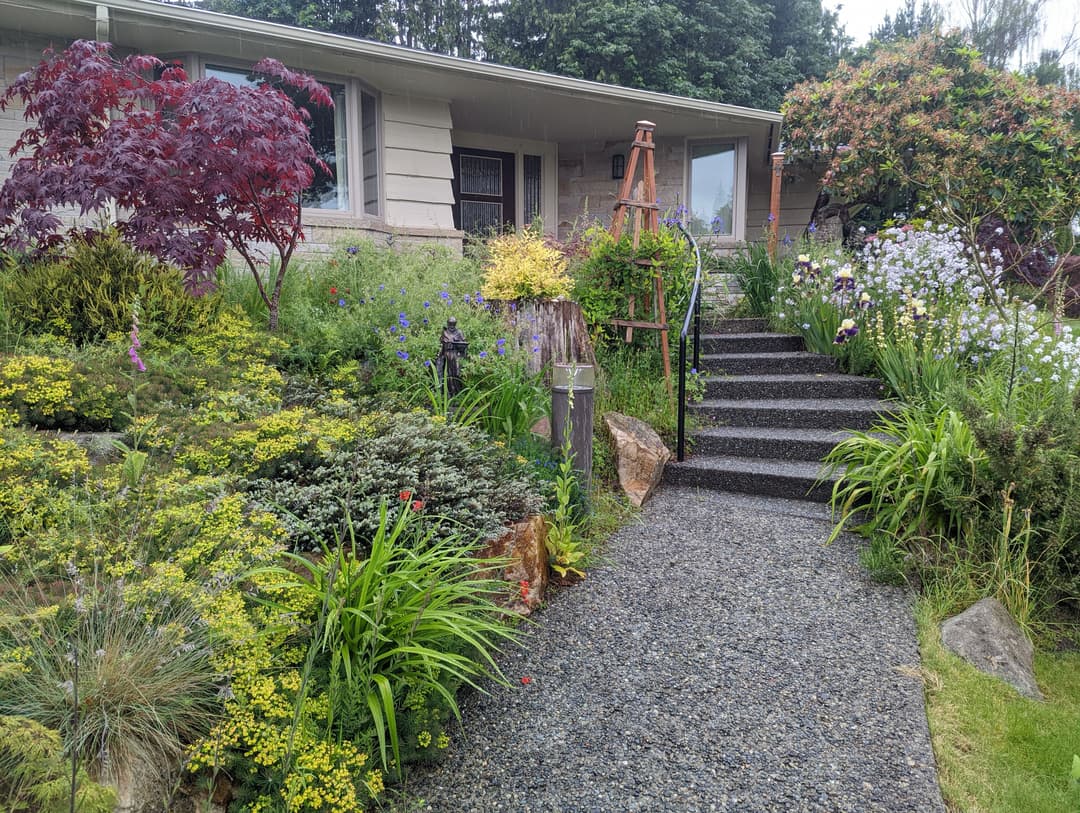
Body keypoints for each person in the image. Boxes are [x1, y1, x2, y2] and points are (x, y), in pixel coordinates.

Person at [436, 316, 466, 396]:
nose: (451, 326)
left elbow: (463, 344)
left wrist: (458, 344)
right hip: (446, 355)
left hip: (456, 355)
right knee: (447, 374)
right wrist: (439, 355)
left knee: (456, 373)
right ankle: (449, 394)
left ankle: (458, 393)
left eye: (453, 324)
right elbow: (441, 345)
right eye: (450, 324)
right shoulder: (445, 332)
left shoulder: (459, 332)